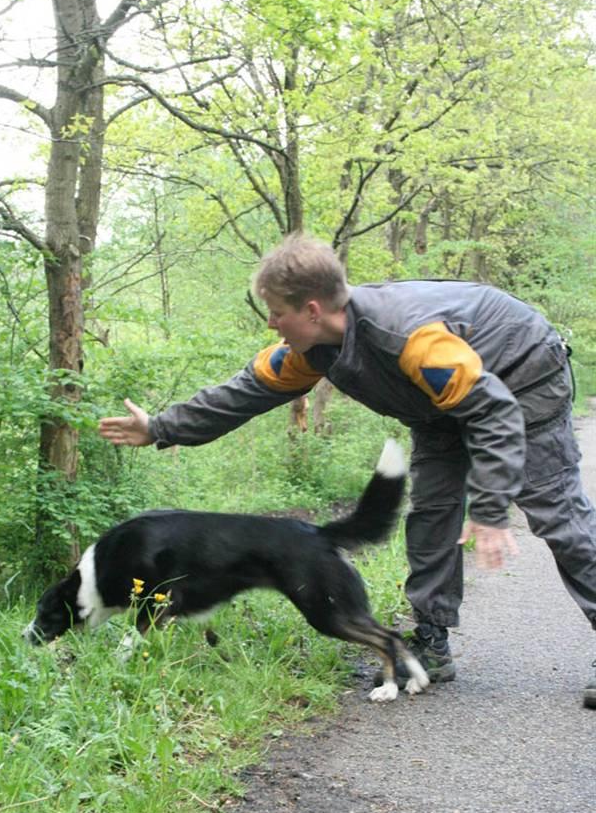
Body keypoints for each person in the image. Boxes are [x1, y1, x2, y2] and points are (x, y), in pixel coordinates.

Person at [99, 234, 596, 709]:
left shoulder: (411, 337)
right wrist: (161, 427)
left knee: (556, 514)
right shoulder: (311, 348)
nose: (271, 323)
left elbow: (495, 413)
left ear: (311, 310)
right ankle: (431, 644)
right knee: (432, 516)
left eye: (277, 312)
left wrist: (490, 509)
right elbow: (245, 390)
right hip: (438, 405)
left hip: (522, 377)